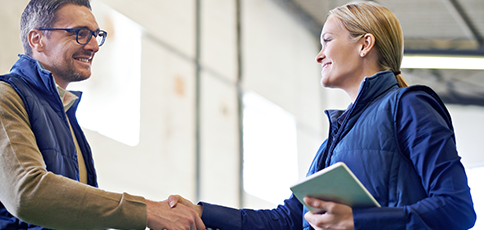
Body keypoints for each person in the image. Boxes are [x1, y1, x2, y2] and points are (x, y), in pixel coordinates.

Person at [168, 1, 476, 230]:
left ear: (365, 44)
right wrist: (200, 213)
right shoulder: (335, 139)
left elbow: (457, 208)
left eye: (327, 40)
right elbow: (286, 220)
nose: (319, 55)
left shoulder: (409, 105)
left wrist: (357, 221)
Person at [0, 0, 205, 229]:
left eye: (97, 35)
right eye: (81, 34)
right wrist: (147, 210)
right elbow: (28, 194)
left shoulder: (65, 117)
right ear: (37, 39)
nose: (94, 46)